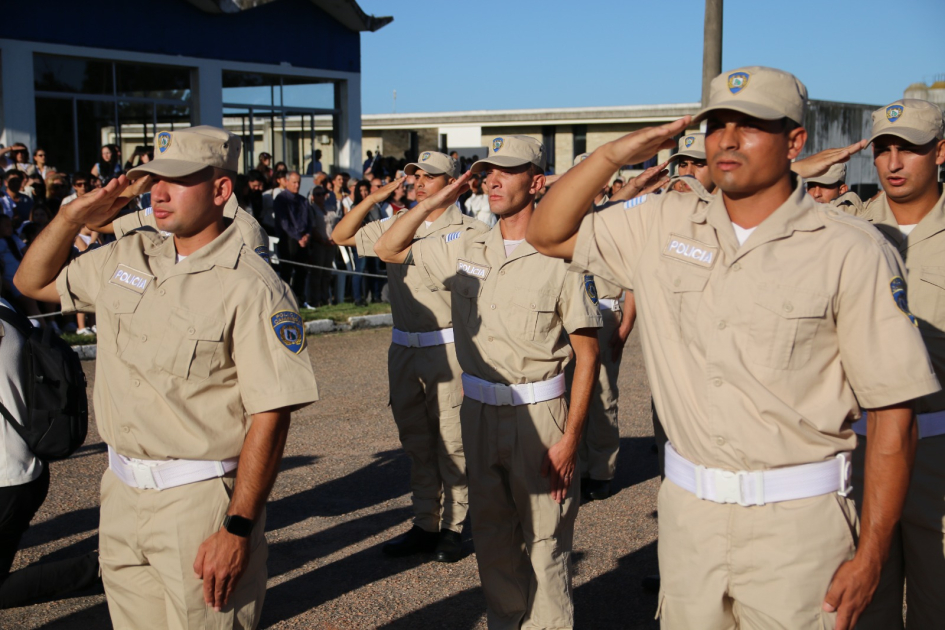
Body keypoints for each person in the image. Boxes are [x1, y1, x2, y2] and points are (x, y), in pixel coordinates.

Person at [527, 66, 940, 630]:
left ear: (795, 141)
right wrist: (614, 154)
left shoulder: (851, 249)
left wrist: (870, 556)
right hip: (689, 520)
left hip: (799, 525)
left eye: (750, 125)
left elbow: (893, 413)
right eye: (717, 123)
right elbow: (546, 232)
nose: (727, 138)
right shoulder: (662, 225)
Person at [13, 126, 320, 629]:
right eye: (153, 178)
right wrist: (70, 216)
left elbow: (271, 413)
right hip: (120, 493)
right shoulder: (127, 256)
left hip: (197, 503)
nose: (158, 192)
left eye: (177, 180)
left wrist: (237, 528)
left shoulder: (251, 286)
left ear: (221, 191)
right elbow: (32, 281)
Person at [374, 136, 602, 629]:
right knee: (494, 539)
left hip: (539, 417)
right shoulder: (466, 246)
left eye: (508, 170)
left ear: (536, 181)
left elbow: (588, 355)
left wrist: (571, 439)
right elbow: (388, 247)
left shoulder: (562, 253)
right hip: (477, 411)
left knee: (545, 545)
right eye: (486, 172)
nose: (493, 179)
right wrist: (434, 200)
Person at [796, 98, 945, 629]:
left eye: (911, 149)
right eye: (883, 149)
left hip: (937, 455)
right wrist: (799, 168)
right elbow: (749, 207)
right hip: (863, 452)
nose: (894, 162)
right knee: (863, 609)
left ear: (941, 152)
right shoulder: (845, 230)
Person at [333, 151, 490, 563]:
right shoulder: (397, 224)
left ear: (452, 183)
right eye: (415, 175)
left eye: (430, 176)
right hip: (404, 346)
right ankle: (425, 523)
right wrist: (373, 198)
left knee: (452, 443)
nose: (420, 182)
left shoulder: (472, 231)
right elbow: (341, 236)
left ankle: (453, 527)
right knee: (416, 441)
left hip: (448, 347)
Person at [274, 171, 312, 303]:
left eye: (299, 182)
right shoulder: (281, 199)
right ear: (287, 182)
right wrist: (298, 237)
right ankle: (285, 300)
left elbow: (309, 220)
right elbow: (284, 222)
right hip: (288, 238)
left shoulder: (303, 200)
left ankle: (298, 298)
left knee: (302, 270)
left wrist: (306, 235)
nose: (297, 185)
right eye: (294, 182)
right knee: (287, 270)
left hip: (303, 238)